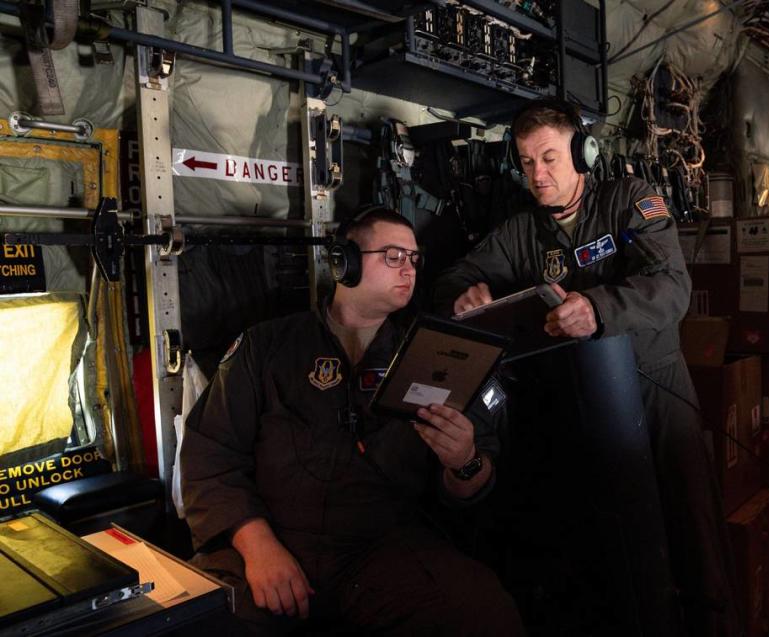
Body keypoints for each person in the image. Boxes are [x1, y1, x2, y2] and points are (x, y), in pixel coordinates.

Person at [433, 99, 740, 637]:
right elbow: (454, 276)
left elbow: (672, 288)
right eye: (527, 162)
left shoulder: (631, 201)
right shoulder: (521, 232)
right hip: (579, 402)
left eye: (550, 158)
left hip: (654, 390)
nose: (538, 174)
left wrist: (600, 309)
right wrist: (465, 292)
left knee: (690, 529)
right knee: (610, 543)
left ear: (583, 152)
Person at [180, 208, 524, 636]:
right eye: (394, 256)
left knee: (484, 614)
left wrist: (465, 460)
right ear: (346, 261)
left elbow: (475, 482)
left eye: (414, 260)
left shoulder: (436, 354)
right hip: (275, 537)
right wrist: (259, 547)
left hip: (383, 548)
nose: (409, 270)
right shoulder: (265, 347)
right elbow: (209, 457)